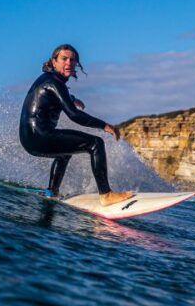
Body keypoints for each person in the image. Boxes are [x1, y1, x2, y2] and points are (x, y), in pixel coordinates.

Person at [19, 44, 135, 206]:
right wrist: (105, 126)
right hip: (40, 136)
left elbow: (55, 95)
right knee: (96, 144)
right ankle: (106, 195)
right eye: (64, 59)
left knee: (64, 152)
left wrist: (72, 98)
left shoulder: (47, 80)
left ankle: (52, 191)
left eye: (72, 60)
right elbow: (74, 115)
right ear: (54, 62)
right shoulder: (55, 83)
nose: (69, 63)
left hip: (28, 139)